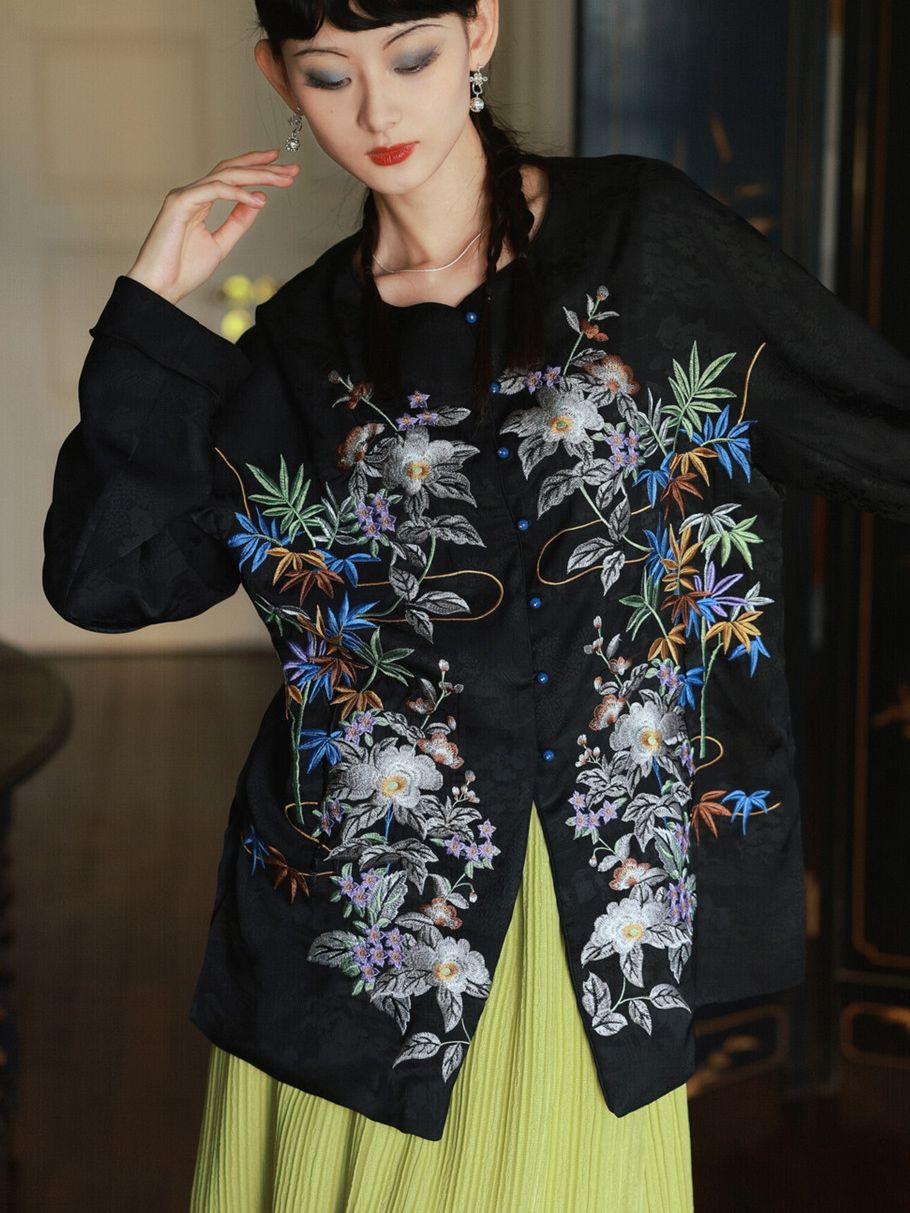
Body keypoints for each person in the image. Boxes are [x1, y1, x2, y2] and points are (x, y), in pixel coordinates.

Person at [41, 1, 910, 1210]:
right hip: (372, 936)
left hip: (598, 914)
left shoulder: (642, 242)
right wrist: (150, 302)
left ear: (479, 31)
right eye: (330, 75)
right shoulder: (299, 349)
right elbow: (106, 576)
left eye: (410, 56)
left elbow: (878, 426)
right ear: (278, 78)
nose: (379, 109)